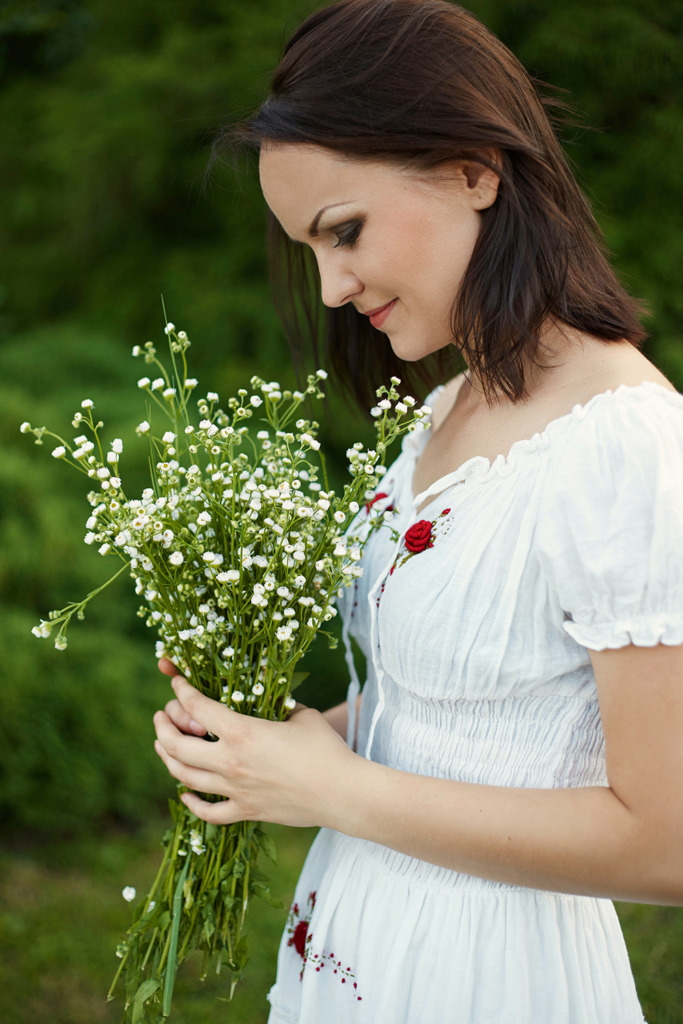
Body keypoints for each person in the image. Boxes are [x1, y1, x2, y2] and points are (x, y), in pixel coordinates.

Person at [152, 1, 683, 1021]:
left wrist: (335, 792)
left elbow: (663, 840)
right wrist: (268, 745)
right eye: (309, 248)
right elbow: (469, 717)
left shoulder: (628, 447)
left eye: (341, 231)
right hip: (360, 931)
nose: (333, 285)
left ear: (473, 169)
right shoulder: (449, 408)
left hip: (490, 972)